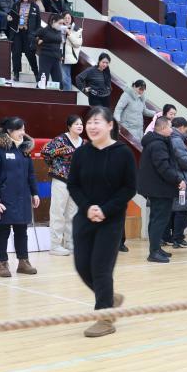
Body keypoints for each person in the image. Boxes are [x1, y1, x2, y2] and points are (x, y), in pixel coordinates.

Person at [67, 107, 137, 337]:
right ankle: (109, 298)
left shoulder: (123, 153)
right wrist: (88, 208)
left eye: (97, 122)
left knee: (100, 268)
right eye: (89, 122)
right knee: (82, 266)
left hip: (111, 220)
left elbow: (129, 188)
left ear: (110, 125)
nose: (91, 126)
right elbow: (73, 184)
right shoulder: (81, 153)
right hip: (84, 217)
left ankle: (105, 318)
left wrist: (105, 210)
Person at [0, 117, 40, 278]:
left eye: (23, 129)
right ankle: (2, 263)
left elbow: (31, 173)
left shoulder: (24, 149)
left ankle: (23, 262)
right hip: (3, 197)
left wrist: (34, 193)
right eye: (19, 129)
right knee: (2, 230)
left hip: (22, 196)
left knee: (22, 229)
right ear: (9, 131)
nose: (23, 132)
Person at [137, 116, 183, 263]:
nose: (172, 130)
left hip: (157, 188)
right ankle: (154, 252)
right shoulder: (158, 144)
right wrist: (178, 179)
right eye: (170, 126)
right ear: (162, 128)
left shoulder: (155, 141)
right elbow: (163, 167)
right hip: (159, 188)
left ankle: (156, 248)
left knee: (156, 219)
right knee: (159, 220)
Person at [41, 115, 84, 256]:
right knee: (58, 212)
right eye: (76, 124)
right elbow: (45, 152)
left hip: (76, 183)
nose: (80, 126)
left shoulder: (84, 143)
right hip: (61, 180)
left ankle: (70, 243)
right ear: (69, 126)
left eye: (81, 124)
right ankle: (55, 245)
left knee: (73, 213)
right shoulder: (60, 140)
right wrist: (57, 165)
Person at [165, 118, 187, 249]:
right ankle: (178, 238)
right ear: (182, 127)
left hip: (175, 178)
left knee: (174, 210)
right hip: (182, 179)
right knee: (182, 210)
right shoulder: (177, 140)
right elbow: (185, 162)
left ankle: (169, 237)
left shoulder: (170, 138)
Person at [7, 0, 41, 82]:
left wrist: (35, 34)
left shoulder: (35, 7)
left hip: (29, 34)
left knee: (30, 54)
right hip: (17, 33)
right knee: (16, 53)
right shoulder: (16, 5)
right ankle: (16, 73)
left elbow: (38, 23)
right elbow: (11, 18)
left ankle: (36, 73)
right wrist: (10, 19)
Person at [34, 12, 65, 88]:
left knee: (59, 81)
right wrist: (38, 40)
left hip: (56, 58)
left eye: (62, 23)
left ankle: (57, 95)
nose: (61, 25)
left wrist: (61, 55)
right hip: (45, 57)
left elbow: (60, 46)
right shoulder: (44, 30)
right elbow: (33, 36)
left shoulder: (59, 32)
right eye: (60, 23)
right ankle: (38, 93)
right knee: (43, 80)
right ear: (54, 21)